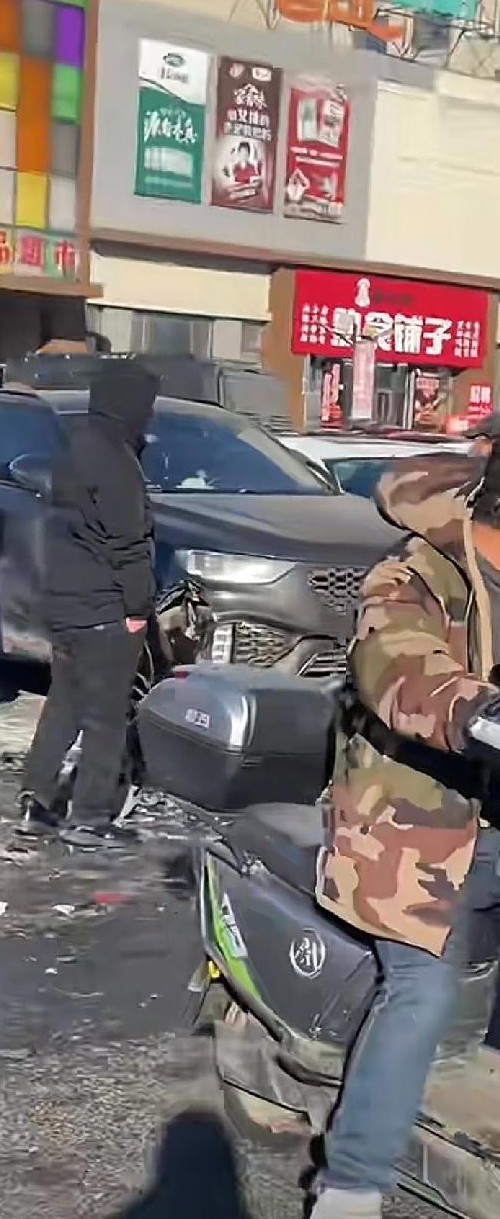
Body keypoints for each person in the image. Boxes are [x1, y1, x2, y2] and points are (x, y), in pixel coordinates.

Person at [312, 447, 500, 1219]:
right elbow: (397, 669)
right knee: (421, 990)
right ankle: (350, 1184)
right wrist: (476, 711)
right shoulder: (415, 572)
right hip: (412, 825)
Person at [21, 361, 158, 849]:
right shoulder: (116, 462)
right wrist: (138, 607)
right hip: (104, 609)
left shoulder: (72, 449)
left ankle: (36, 800)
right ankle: (90, 818)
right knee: (105, 717)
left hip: (63, 603)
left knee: (64, 705)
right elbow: (129, 542)